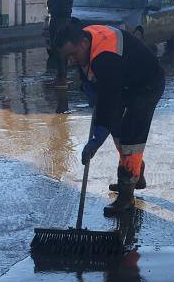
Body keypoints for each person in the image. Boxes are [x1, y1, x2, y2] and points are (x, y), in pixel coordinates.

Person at [54, 23, 165, 216]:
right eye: (67, 57)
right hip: (125, 81)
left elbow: (109, 101)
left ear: (83, 43)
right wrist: (91, 90)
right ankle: (136, 174)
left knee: (130, 137)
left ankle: (126, 196)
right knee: (117, 128)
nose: (71, 61)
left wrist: (96, 140)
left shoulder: (105, 58)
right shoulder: (87, 41)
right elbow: (95, 81)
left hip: (147, 84)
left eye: (72, 54)